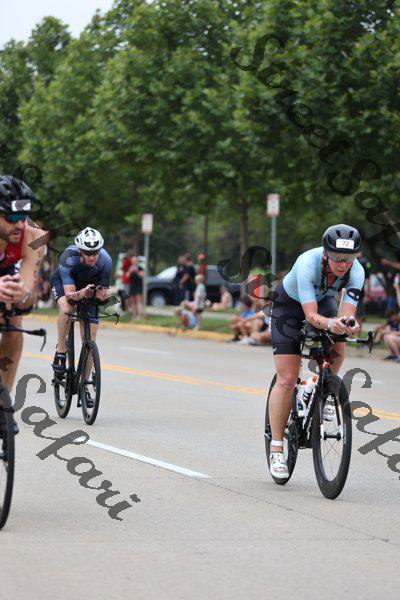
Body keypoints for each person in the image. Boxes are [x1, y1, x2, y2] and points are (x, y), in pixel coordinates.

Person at [268, 224, 364, 479]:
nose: (343, 264)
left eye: (349, 258)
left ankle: (317, 386)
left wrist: (348, 324)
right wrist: (331, 324)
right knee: (287, 378)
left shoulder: (357, 271)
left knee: (339, 344)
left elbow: (347, 313)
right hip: (289, 306)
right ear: (325, 253)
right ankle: (276, 448)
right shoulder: (307, 264)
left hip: (322, 302)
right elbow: (311, 316)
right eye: (337, 258)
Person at [0, 175, 46, 428]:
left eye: (23, 216)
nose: (19, 224)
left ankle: (2, 405)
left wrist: (21, 294)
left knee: (14, 322)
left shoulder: (34, 237)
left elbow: (28, 299)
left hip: (7, 272)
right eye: (11, 217)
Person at [50, 227, 112, 394]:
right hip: (64, 284)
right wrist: (82, 293)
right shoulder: (68, 257)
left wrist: (103, 296)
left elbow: (102, 292)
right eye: (87, 252)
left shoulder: (106, 260)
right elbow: (70, 296)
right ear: (79, 250)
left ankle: (84, 384)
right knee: (67, 310)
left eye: (95, 252)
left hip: (87, 288)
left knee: (91, 338)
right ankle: (61, 349)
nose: (92, 256)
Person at [355, 251, 371, 327]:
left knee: (358, 316)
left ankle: (357, 332)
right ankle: (350, 333)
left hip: (359, 295)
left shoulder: (364, 265)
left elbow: (368, 281)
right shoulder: (349, 264)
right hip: (349, 293)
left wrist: (367, 295)